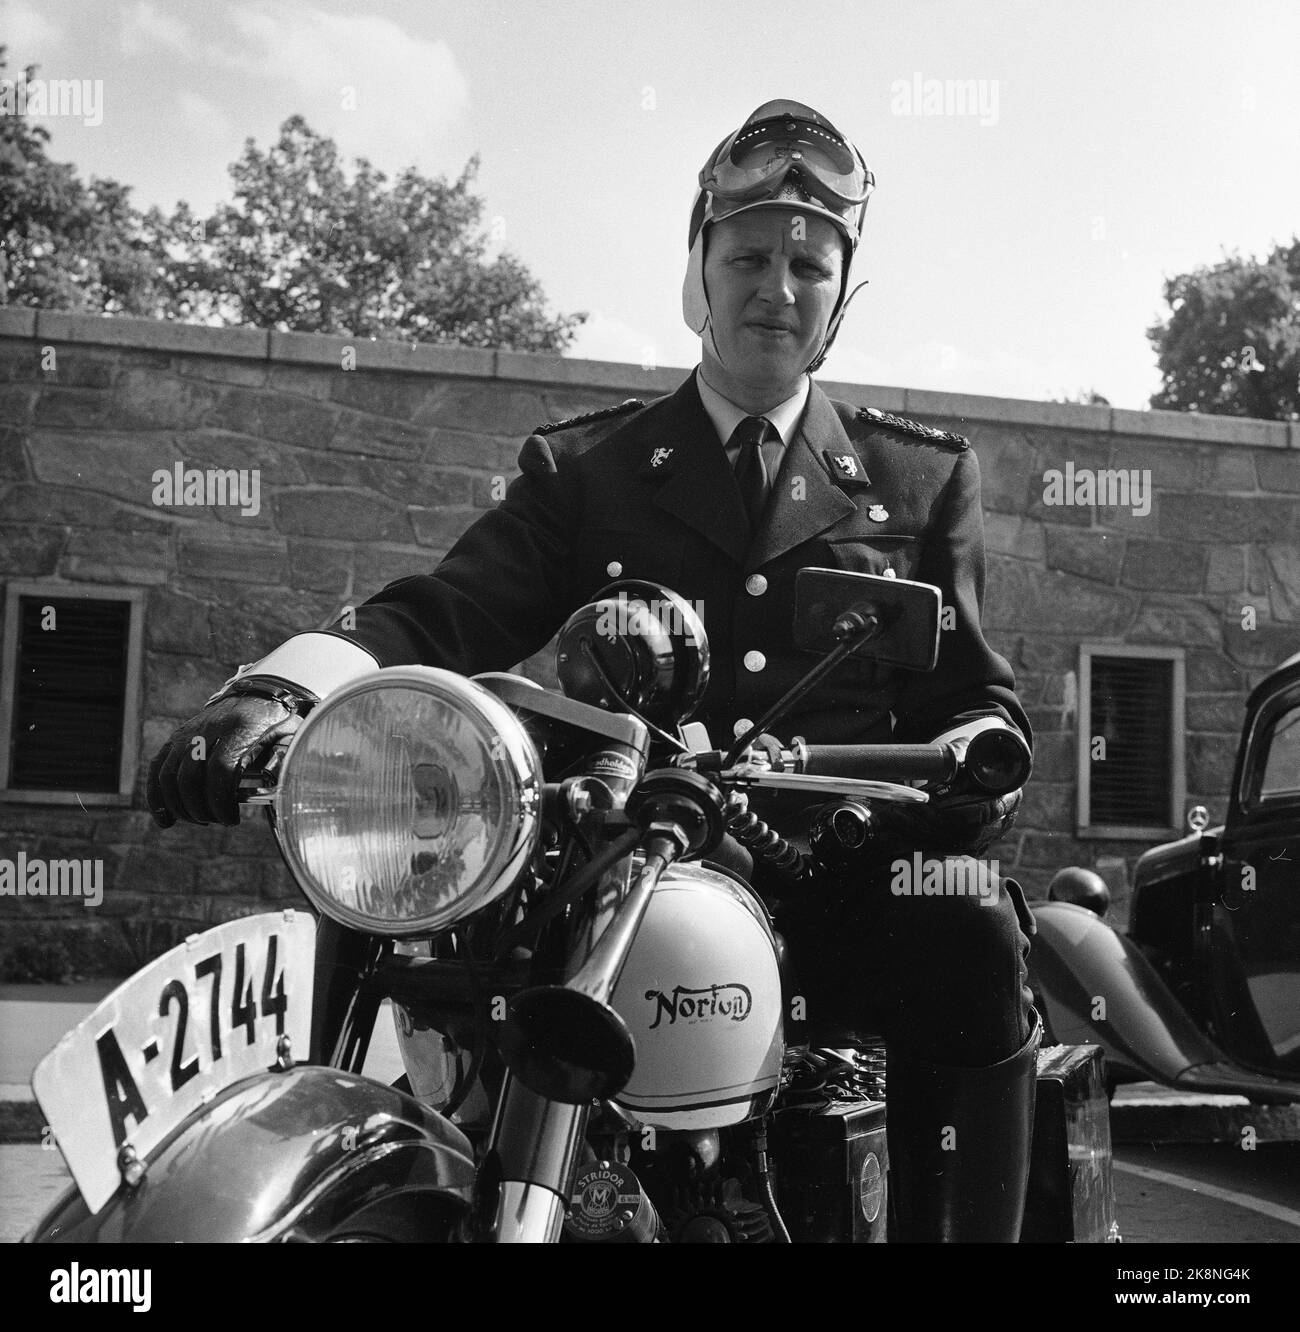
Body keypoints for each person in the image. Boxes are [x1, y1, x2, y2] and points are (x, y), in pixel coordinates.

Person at [147, 99, 1039, 1243]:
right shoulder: (591, 469)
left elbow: (977, 695)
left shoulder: (915, 484)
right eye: (750, 256)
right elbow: (444, 610)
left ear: (840, 295)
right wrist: (279, 689)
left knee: (969, 926)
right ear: (699, 273)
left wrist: (972, 763)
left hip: (834, 886)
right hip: (607, 878)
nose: (778, 286)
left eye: (809, 265)